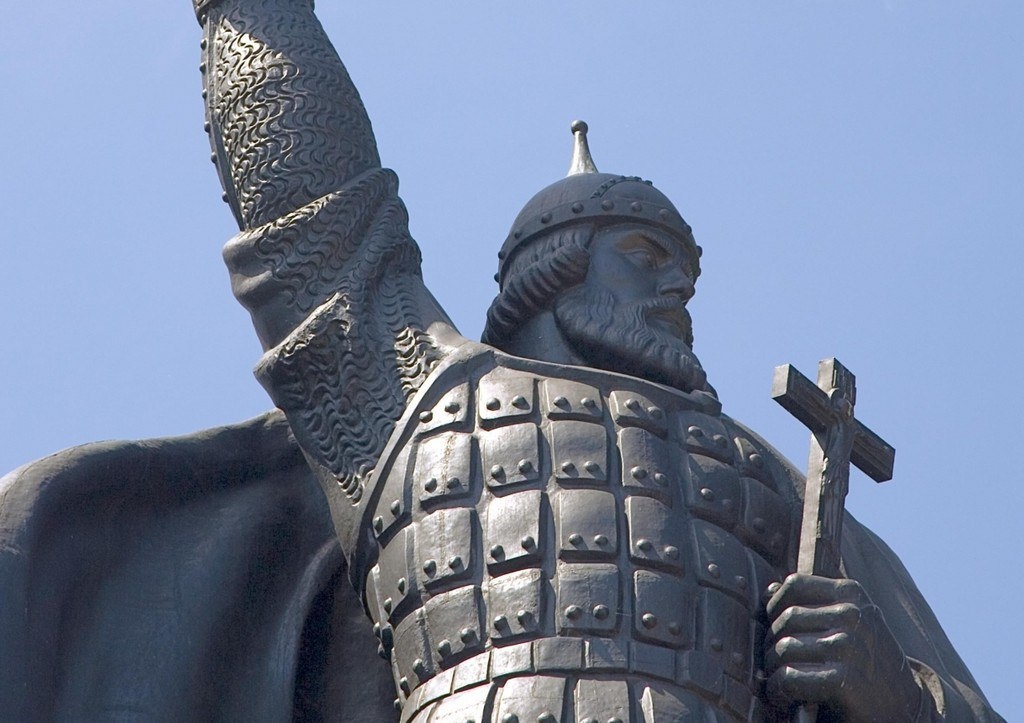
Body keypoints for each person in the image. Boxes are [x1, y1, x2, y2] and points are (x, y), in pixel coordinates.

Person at [0, 0, 1002, 720]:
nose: (676, 290)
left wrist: (893, 692)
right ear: (554, 270)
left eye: (686, 271)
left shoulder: (768, 488)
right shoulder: (423, 406)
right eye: (647, 255)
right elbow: (314, 213)